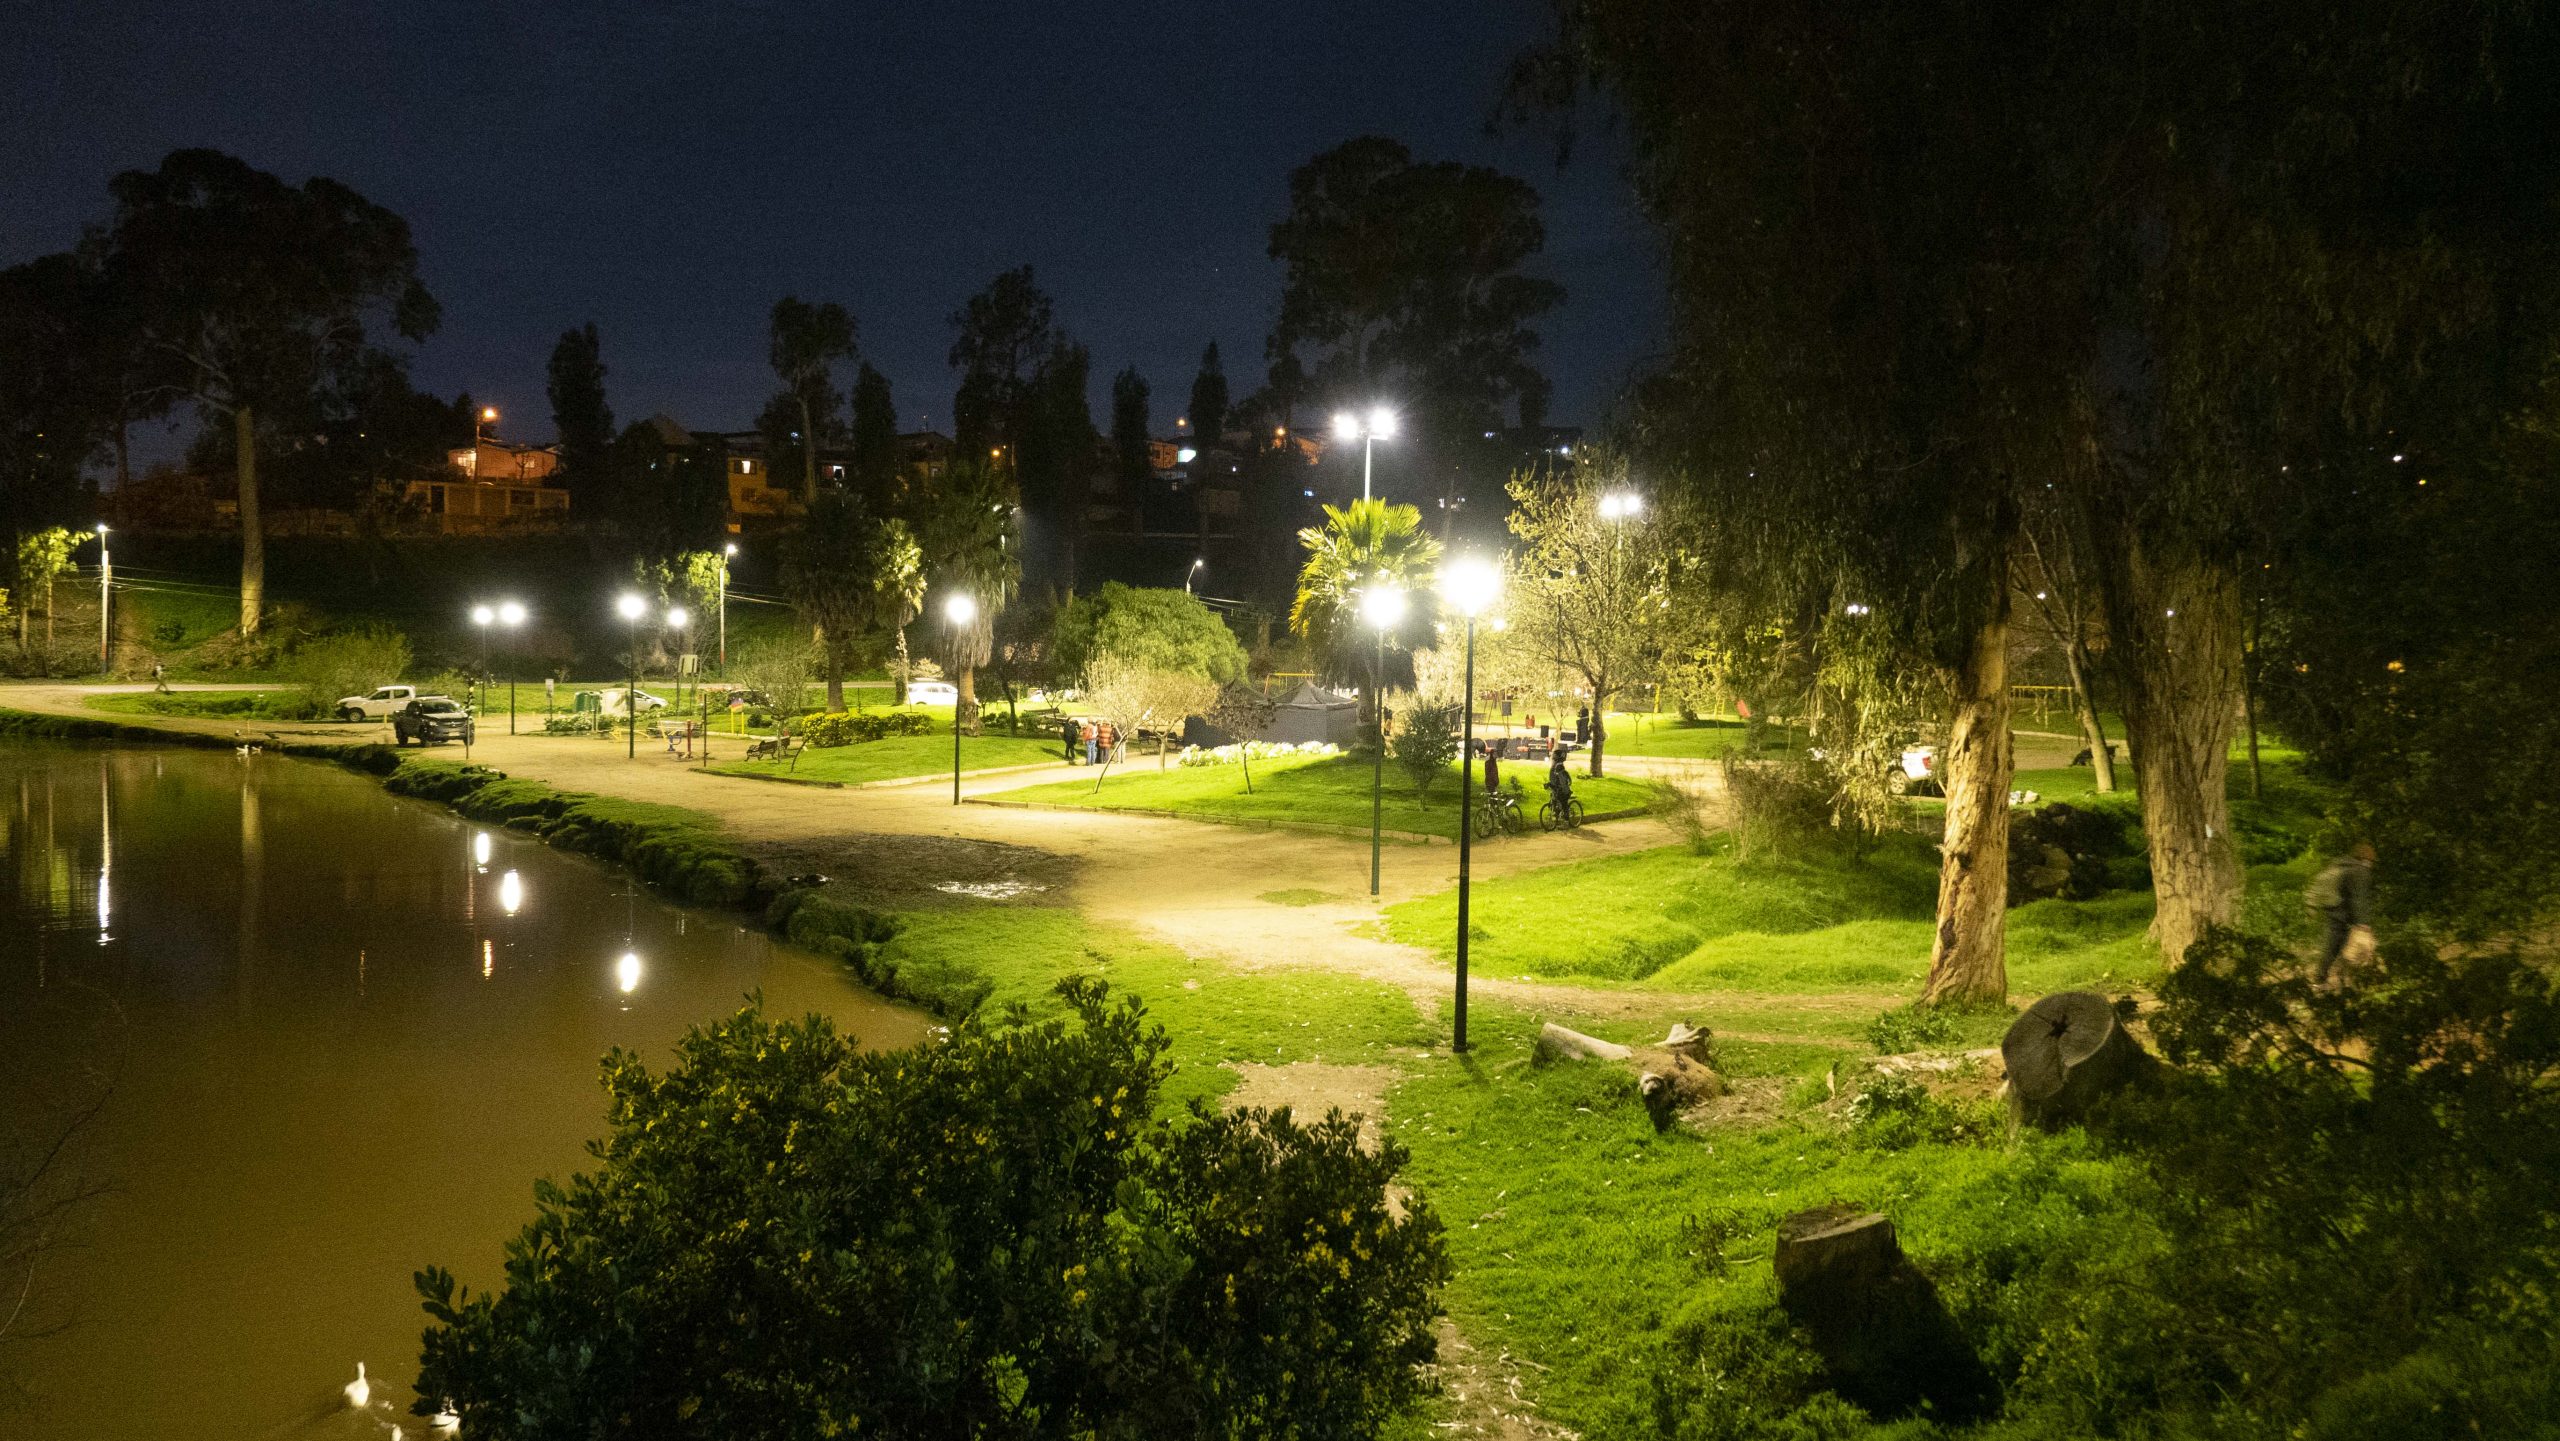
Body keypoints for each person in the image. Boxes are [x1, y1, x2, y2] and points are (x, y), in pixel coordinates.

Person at [2306, 842, 2377, 985]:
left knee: (2334, 944)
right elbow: (2358, 898)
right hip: (2344, 913)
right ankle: (2342, 979)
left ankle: (2322, 977)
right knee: (2347, 947)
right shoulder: (2360, 871)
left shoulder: (2342, 866)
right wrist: (2363, 923)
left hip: (2333, 908)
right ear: (2368, 858)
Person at [1547, 745, 1575, 819]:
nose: (1552, 758)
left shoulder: (1559, 766)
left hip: (1563, 789)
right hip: (1558, 788)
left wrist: (1556, 785)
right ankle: (1557, 814)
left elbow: (1561, 779)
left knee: (1563, 802)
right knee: (1554, 800)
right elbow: (1554, 778)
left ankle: (1566, 820)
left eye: (1554, 757)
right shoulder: (1555, 766)